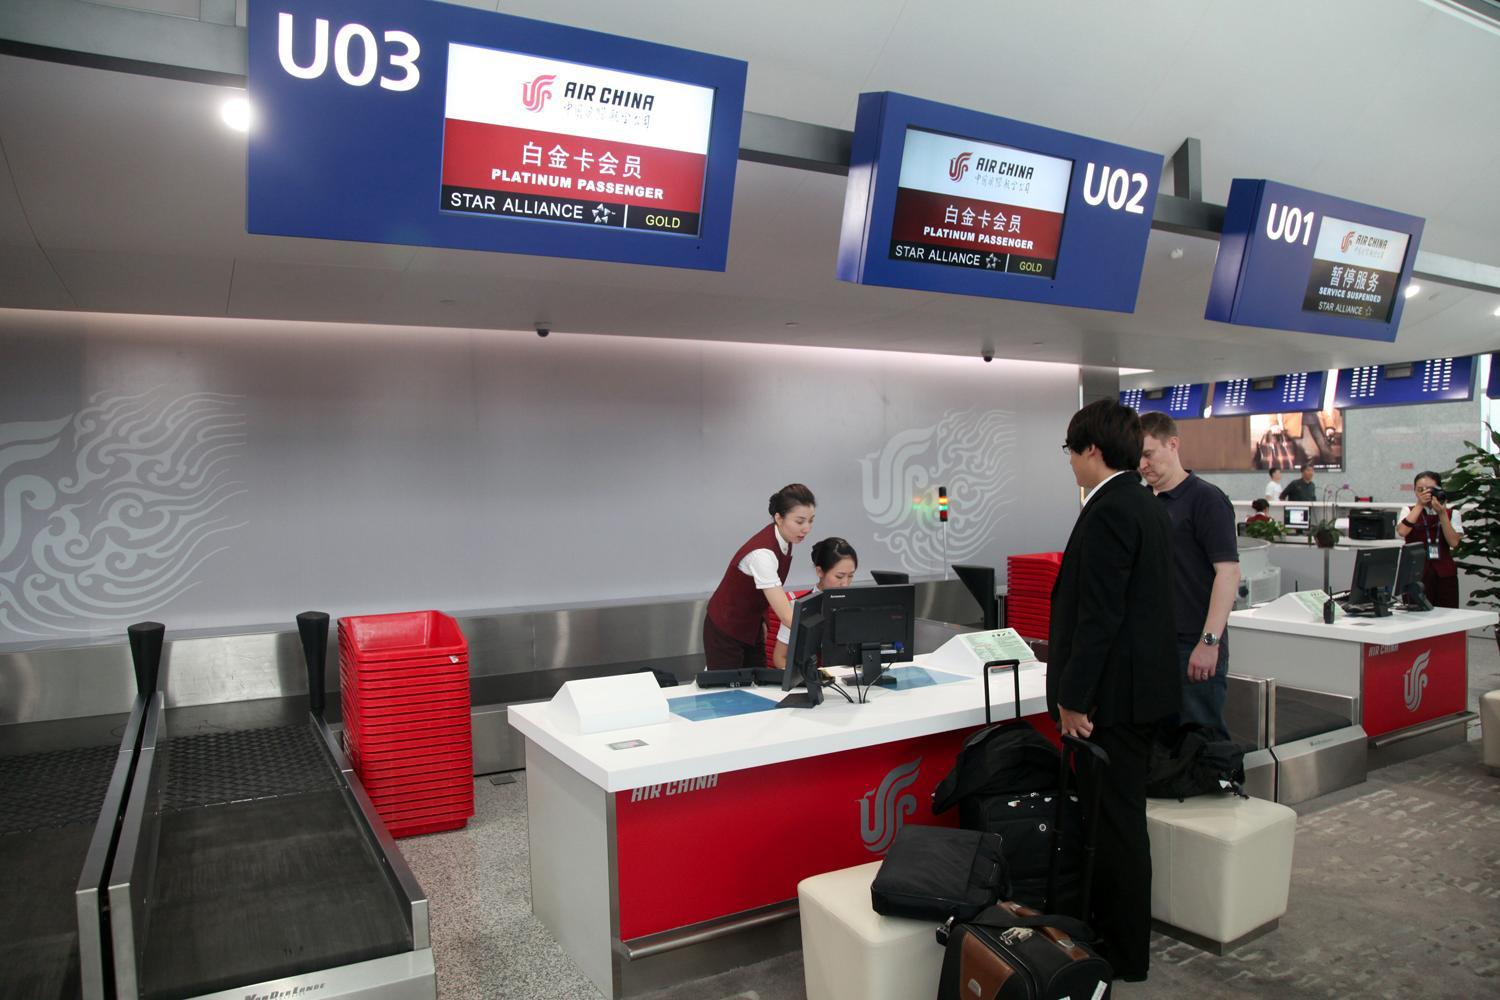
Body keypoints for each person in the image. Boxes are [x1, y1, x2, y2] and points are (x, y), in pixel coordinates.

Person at [1049, 399, 1178, 983]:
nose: (1069, 462)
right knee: (1121, 821)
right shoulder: (1143, 503)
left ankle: (1123, 953)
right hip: (1138, 691)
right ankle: (1121, 942)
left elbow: (1098, 616)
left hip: (1112, 703)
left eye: (1071, 450)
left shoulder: (1109, 510)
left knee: (1116, 826)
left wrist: (1074, 697)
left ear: (1092, 450)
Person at [1139, 412, 1240, 741]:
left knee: (1201, 744)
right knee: (1162, 745)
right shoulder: (1143, 503)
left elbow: (1228, 573)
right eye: (1137, 458)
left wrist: (1208, 642)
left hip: (1192, 645)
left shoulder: (1206, 499)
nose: (1142, 465)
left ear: (1173, 444)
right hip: (1153, 645)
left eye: (1148, 454)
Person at [703, 484, 816, 669]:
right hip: (725, 628)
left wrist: (760, 620)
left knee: (759, 681)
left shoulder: (785, 539)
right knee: (729, 686)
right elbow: (787, 616)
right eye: (800, 522)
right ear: (779, 518)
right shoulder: (763, 554)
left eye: (811, 521)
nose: (806, 528)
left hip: (751, 626)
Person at [767, 537, 858, 668]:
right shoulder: (799, 606)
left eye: (851, 576)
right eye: (839, 576)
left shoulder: (856, 605)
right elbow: (780, 658)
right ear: (820, 571)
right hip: (811, 677)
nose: (845, 583)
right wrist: (806, 677)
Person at [1397, 471, 1464, 608]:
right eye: (1420, 490)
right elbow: (1402, 531)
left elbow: (1454, 542)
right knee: (1416, 613)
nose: (1425, 493)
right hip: (1416, 573)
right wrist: (1419, 505)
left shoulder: (1452, 513)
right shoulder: (1408, 511)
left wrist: (1442, 513)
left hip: (1445, 573)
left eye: (1430, 489)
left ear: (1439, 490)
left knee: (1447, 612)